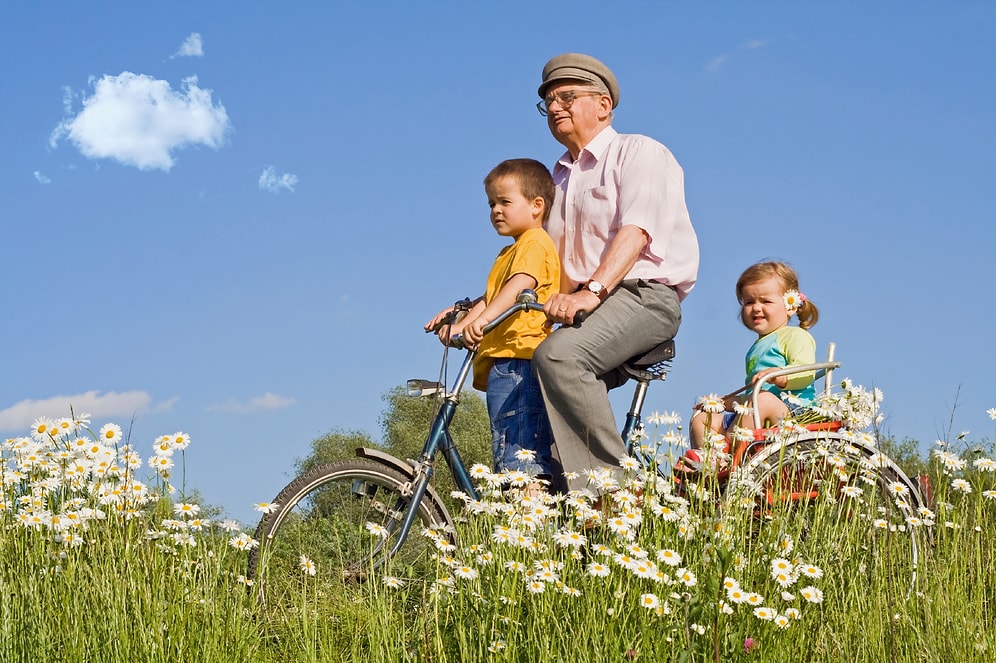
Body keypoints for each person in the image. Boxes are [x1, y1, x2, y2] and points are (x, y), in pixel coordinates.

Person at [530, 53, 699, 495]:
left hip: (643, 296)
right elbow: (544, 259)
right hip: (591, 303)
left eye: (567, 96)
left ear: (603, 105)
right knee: (532, 383)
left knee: (560, 357)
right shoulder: (557, 178)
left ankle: (613, 496)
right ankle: (564, 516)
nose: (554, 106)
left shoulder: (638, 152)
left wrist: (593, 291)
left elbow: (637, 231)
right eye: (547, 100)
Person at [425, 158, 561, 486]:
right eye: (491, 204)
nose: (496, 210)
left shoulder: (534, 242)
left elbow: (519, 286)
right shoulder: (507, 253)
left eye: (505, 202)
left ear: (536, 206)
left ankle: (530, 520)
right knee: (506, 449)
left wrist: (480, 321)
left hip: (520, 361)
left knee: (519, 453)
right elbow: (491, 296)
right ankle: (522, 521)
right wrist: (460, 322)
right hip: (503, 362)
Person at [687, 261, 820, 460]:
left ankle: (730, 456)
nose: (756, 308)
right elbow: (751, 397)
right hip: (757, 411)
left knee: (763, 398)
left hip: (793, 413)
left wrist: (779, 377)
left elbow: (806, 372)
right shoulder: (757, 348)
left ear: (790, 306)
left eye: (765, 301)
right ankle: (710, 462)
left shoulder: (794, 336)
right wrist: (722, 403)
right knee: (703, 418)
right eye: (749, 302)